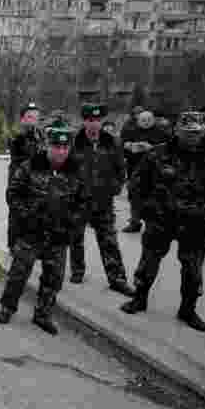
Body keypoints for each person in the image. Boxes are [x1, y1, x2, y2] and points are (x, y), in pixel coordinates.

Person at [120, 111, 205, 331]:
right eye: (187, 133)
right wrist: (142, 212)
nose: (192, 137)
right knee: (148, 264)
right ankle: (139, 299)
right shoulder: (157, 154)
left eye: (196, 133)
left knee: (193, 271)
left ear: (204, 131)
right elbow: (137, 184)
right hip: (161, 220)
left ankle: (188, 310)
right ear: (177, 130)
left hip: (196, 224)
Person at [0, 126, 87, 334]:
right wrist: (26, 216)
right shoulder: (30, 166)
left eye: (65, 147)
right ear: (47, 146)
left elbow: (84, 203)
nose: (61, 151)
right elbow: (13, 194)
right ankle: (7, 307)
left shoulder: (76, 170)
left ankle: (43, 314)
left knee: (53, 279)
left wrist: (72, 224)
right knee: (18, 274)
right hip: (31, 232)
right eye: (57, 146)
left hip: (58, 235)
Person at [69, 103, 134, 295]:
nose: (94, 124)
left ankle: (117, 279)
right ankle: (77, 270)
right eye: (90, 120)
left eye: (97, 120)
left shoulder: (112, 141)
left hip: (103, 201)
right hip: (79, 200)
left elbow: (121, 169)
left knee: (109, 241)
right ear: (84, 121)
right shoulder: (75, 141)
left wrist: (114, 188)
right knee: (76, 238)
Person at [120, 109, 167, 233]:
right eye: (143, 120)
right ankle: (135, 221)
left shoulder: (160, 132)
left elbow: (167, 149)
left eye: (148, 120)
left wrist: (151, 148)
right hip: (134, 168)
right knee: (134, 196)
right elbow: (122, 145)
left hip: (154, 170)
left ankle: (153, 223)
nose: (146, 122)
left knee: (154, 197)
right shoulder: (130, 131)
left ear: (153, 120)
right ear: (138, 121)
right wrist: (129, 146)